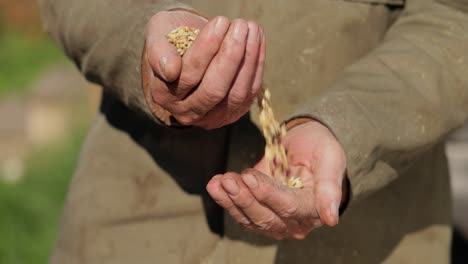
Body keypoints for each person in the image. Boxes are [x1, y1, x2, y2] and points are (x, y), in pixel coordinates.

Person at [38, 0, 468, 263]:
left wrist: (348, 125)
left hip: (369, 240)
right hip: (134, 226)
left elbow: (454, 18)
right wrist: (141, 39)